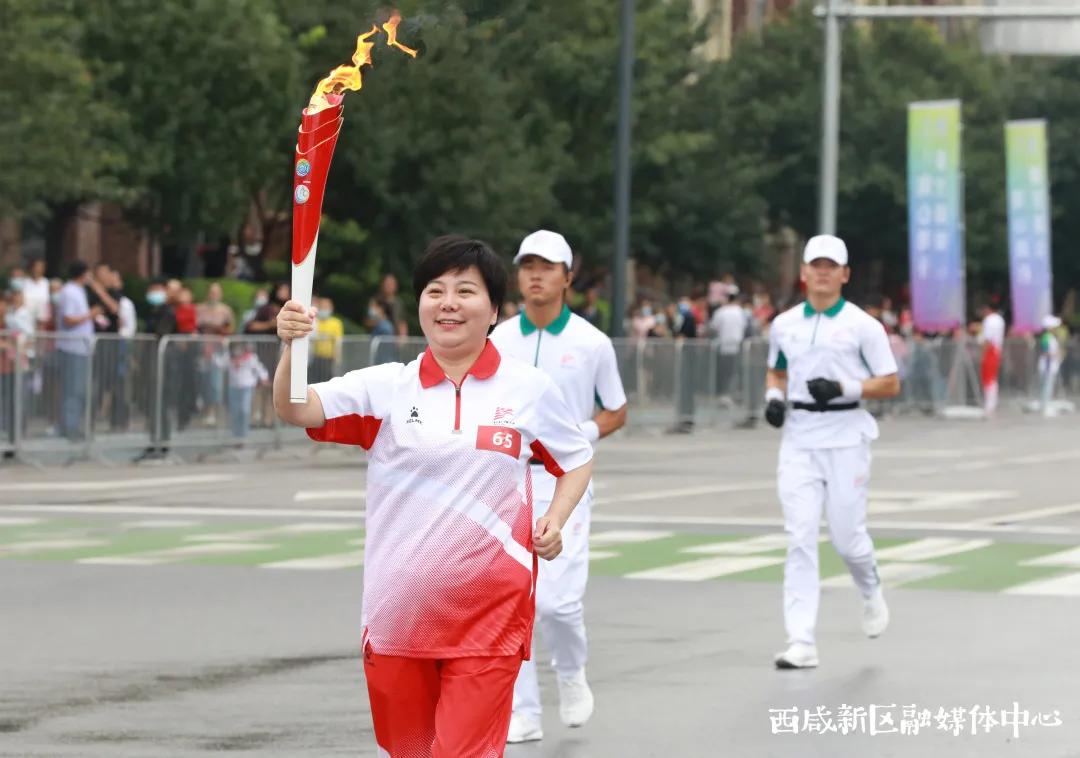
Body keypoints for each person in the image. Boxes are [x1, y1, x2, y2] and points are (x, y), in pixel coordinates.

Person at [274, 235, 593, 758]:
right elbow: (295, 407)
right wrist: (291, 346)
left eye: (465, 291)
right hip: (398, 616)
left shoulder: (527, 389)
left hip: (491, 615)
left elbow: (576, 458)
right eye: (435, 290)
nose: (448, 303)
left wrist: (555, 520)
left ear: (493, 310)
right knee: (411, 752)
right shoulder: (387, 388)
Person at [490, 230, 628, 744]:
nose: (535, 275)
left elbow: (616, 410)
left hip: (564, 480)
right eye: (528, 266)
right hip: (504, 478)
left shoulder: (592, 343)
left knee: (556, 603)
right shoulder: (499, 338)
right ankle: (522, 710)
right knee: (513, 600)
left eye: (547, 267)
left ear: (568, 278)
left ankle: (571, 673)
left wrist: (576, 438)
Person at [763, 235, 900, 669]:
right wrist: (772, 397)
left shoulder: (863, 326)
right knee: (800, 536)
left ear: (845, 274)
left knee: (847, 538)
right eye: (815, 265)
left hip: (846, 436)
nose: (822, 272)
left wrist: (846, 388)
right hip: (800, 438)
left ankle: (870, 588)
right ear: (803, 273)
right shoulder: (784, 324)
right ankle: (800, 640)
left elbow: (890, 381)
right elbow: (777, 368)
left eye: (831, 266)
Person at [55, 262, 102, 440]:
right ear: (83, 274)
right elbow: (68, 319)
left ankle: (72, 424)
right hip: (72, 347)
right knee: (73, 389)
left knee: (79, 389)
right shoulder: (69, 291)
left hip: (82, 348)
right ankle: (69, 426)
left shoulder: (79, 290)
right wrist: (91, 314)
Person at [227, 341, 269, 441]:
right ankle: (236, 433)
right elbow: (219, 363)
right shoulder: (228, 357)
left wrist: (264, 378)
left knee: (244, 410)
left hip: (246, 387)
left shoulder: (250, 357)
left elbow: (260, 368)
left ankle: (243, 433)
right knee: (235, 411)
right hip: (233, 387)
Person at [978, 303, 1006, 416]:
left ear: (987, 309)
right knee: (993, 378)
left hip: (990, 351)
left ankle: (989, 405)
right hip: (997, 350)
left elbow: (988, 339)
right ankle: (992, 404)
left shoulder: (989, 320)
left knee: (988, 379)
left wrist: (982, 354)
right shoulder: (1000, 319)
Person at [311, 296, 344, 382]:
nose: (324, 309)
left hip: (329, 358)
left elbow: (338, 342)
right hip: (315, 357)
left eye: (326, 307)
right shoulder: (314, 322)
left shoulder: (336, 323)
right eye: (322, 307)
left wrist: (337, 358)